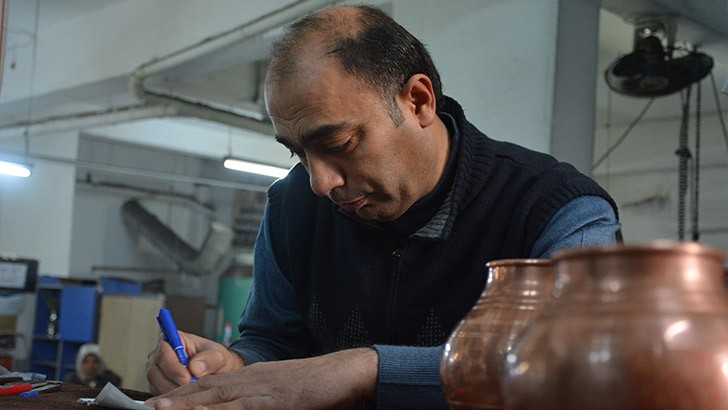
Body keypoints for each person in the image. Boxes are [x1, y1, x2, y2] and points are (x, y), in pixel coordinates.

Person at [145, 5, 620, 409]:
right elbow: (274, 340)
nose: (320, 183)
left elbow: (578, 362)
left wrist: (365, 370)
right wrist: (234, 365)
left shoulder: (556, 208)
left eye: (340, 144)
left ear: (418, 101)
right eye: (298, 153)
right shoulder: (292, 206)